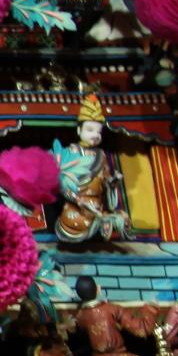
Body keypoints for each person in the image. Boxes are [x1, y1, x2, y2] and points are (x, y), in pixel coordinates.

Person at [53, 95, 130, 245]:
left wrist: (112, 183)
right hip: (77, 208)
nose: (95, 135)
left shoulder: (101, 155)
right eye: (90, 130)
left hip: (97, 206)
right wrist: (78, 200)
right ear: (79, 130)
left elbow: (105, 180)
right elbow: (61, 184)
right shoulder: (71, 152)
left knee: (121, 219)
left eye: (98, 132)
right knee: (80, 222)